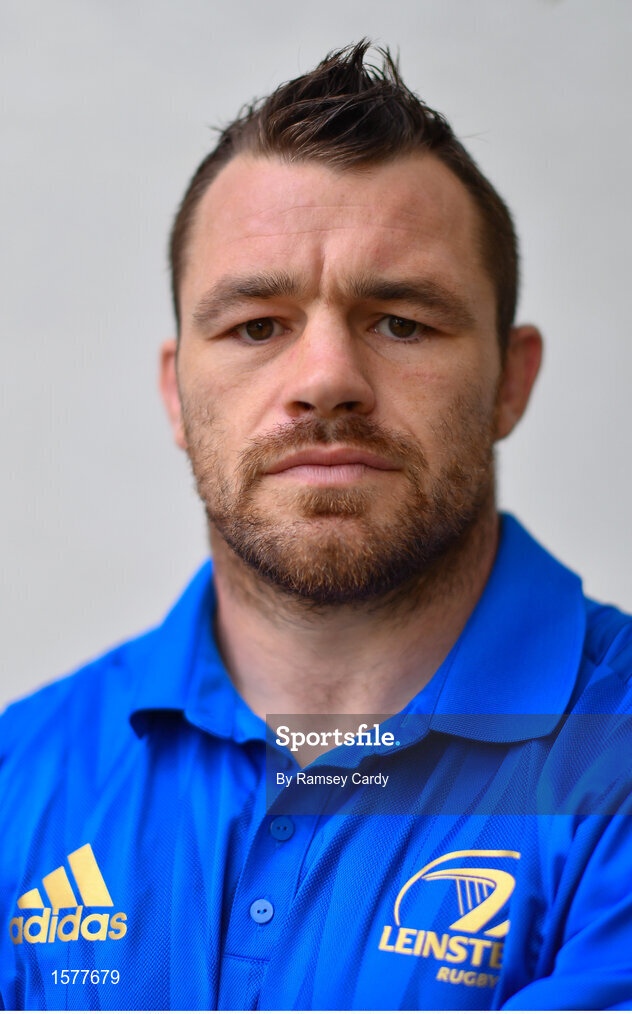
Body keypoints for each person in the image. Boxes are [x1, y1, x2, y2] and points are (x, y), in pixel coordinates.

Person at [1, 41, 632, 1012]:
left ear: (511, 380)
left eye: (401, 322)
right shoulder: (23, 775)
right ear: (176, 394)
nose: (326, 379)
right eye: (257, 326)